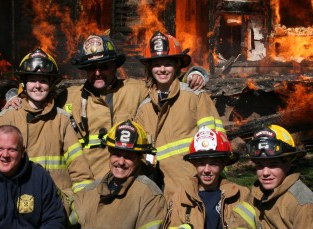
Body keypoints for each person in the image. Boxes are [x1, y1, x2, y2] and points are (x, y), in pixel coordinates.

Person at [0, 48, 94, 229]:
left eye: (44, 80)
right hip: (15, 204)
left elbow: (79, 168)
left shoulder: (62, 119)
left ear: (52, 84)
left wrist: (80, 208)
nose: (38, 85)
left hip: (54, 205)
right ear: (23, 84)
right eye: (32, 80)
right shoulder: (8, 117)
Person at [63, 33, 207, 179]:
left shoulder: (135, 90)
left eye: (104, 66)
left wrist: (195, 74)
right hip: (89, 182)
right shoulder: (69, 97)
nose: (97, 73)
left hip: (128, 179)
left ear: (115, 66)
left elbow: (166, 83)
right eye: (91, 68)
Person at [134, 31, 224, 200]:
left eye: (167, 64)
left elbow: (216, 143)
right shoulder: (144, 108)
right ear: (149, 68)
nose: (162, 69)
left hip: (194, 187)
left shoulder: (196, 96)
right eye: (156, 64)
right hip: (159, 191)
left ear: (176, 65)